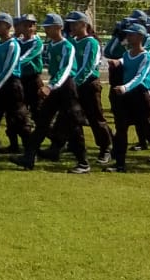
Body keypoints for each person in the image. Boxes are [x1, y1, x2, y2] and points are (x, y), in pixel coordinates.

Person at [18, 13, 88, 173]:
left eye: (49, 28)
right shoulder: (51, 45)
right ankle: (29, 158)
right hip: (56, 87)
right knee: (42, 121)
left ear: (58, 28)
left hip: (66, 87)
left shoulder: (67, 46)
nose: (47, 31)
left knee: (74, 124)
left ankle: (83, 162)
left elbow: (66, 70)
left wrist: (50, 86)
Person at [108, 21, 150, 172]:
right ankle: (120, 163)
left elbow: (140, 77)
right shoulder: (126, 54)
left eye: (131, 35)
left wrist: (125, 87)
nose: (128, 37)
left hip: (141, 96)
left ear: (140, 37)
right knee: (121, 129)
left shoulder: (146, 57)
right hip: (126, 97)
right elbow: (124, 61)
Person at [67, 13, 112, 164]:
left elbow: (88, 66)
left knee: (95, 119)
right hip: (74, 84)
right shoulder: (72, 42)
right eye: (71, 24)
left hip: (89, 85)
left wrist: (75, 82)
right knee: (71, 116)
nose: (71, 27)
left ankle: (106, 148)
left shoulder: (91, 43)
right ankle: (71, 146)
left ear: (84, 25)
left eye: (75, 24)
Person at [0, 11, 33, 155]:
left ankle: (30, 151)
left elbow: (9, 68)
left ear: (8, 26)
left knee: (19, 119)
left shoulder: (13, 45)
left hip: (12, 86)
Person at [15, 13, 45, 117]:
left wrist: (12, 65)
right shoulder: (18, 41)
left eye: (31, 25)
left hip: (33, 79)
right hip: (21, 78)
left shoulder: (37, 43)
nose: (28, 28)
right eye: (25, 25)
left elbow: (26, 58)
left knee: (37, 109)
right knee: (19, 107)